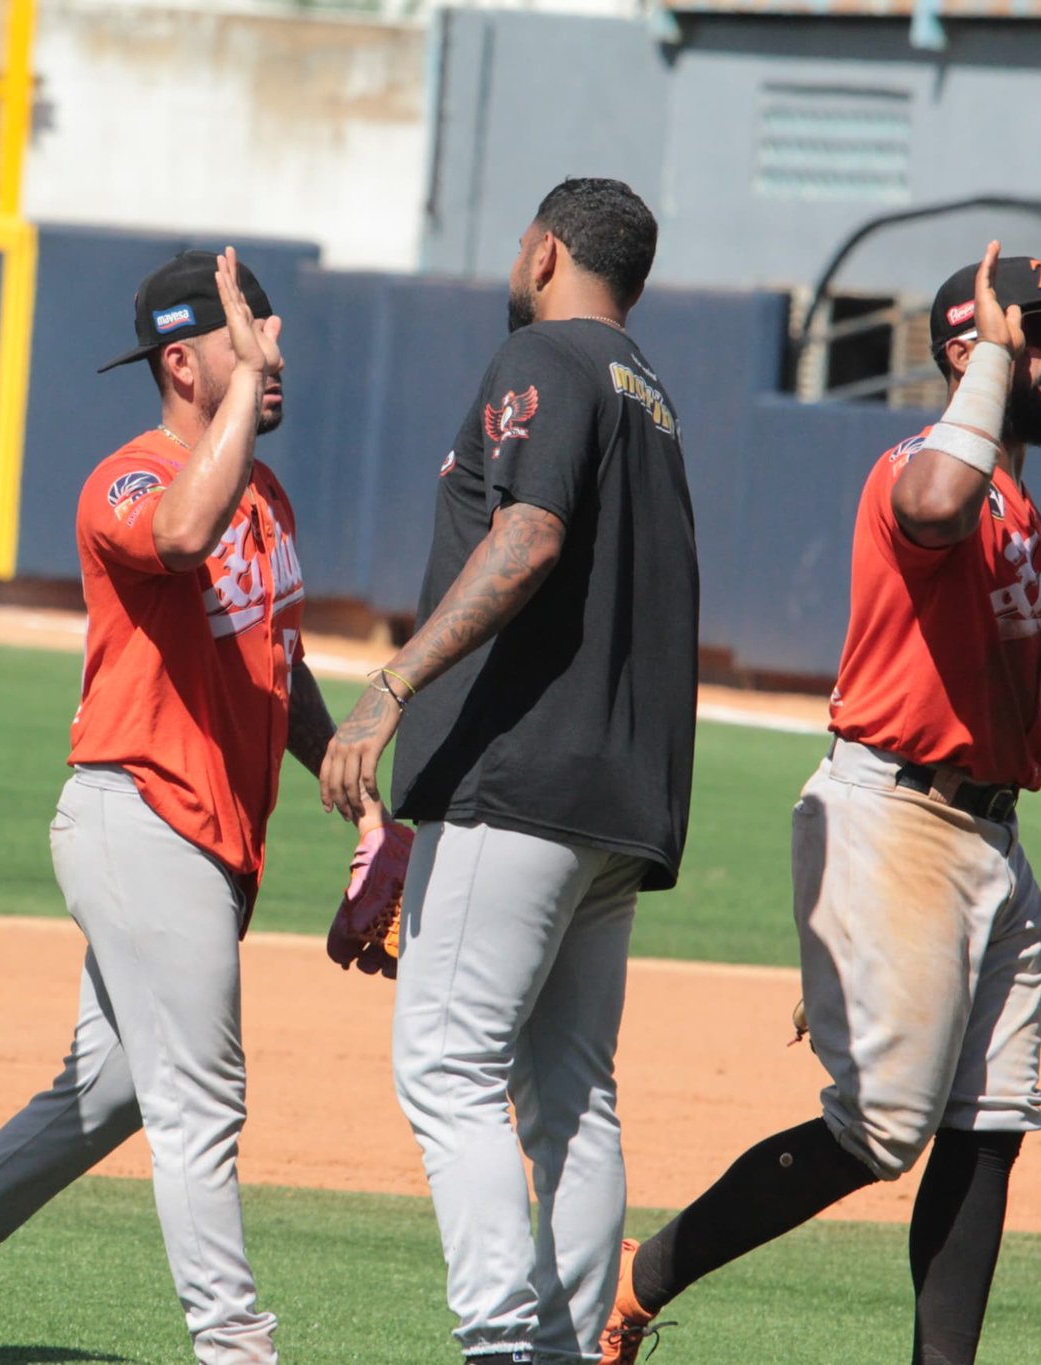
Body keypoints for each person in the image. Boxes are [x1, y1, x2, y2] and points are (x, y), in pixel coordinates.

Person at [599, 244, 1041, 1365]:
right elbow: (933, 509)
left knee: (985, 1134)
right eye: (1038, 328)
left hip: (985, 844)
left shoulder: (1020, 508)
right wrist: (986, 365)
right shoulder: (918, 467)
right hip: (900, 821)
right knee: (879, 1132)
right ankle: (633, 1290)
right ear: (966, 352)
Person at [0, 248, 351, 1365]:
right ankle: (236, 1350)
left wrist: (342, 773)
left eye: (268, 327)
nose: (272, 351)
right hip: (139, 818)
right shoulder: (127, 480)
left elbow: (280, 656)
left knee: (107, 1096)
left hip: (208, 839)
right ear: (182, 362)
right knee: (201, 1107)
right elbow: (176, 534)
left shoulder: (263, 494)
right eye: (243, 331)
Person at [321, 177, 699, 1364]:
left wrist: (389, 690)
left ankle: (499, 1346)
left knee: (443, 1063)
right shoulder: (654, 397)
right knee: (573, 1095)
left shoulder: (545, 360)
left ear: (543, 252)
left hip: (523, 783)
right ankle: (565, 1345)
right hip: (620, 799)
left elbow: (525, 536)